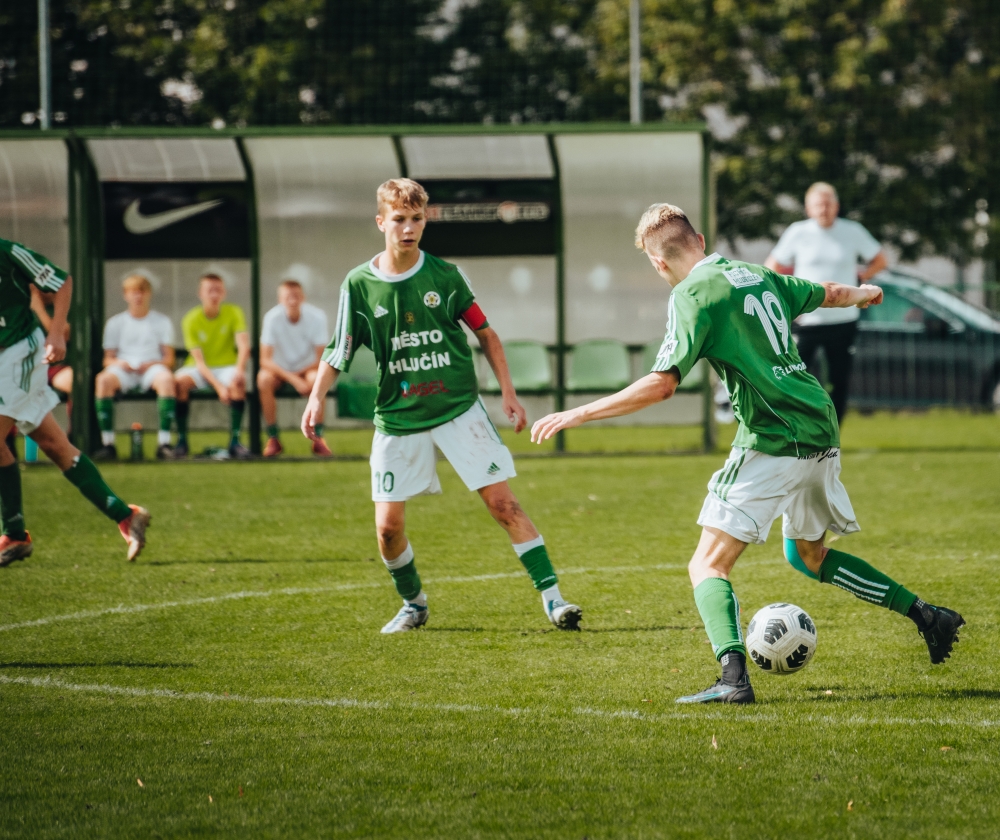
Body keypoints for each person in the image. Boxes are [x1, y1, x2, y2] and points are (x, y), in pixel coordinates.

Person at [531, 204, 964, 704]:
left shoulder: (692, 293)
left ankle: (733, 679)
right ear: (700, 236)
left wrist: (578, 414)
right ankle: (929, 617)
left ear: (657, 263)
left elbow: (662, 384)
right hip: (819, 424)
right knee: (807, 556)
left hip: (773, 435)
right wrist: (865, 294)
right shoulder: (756, 275)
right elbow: (829, 293)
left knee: (707, 565)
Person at [301, 178, 582, 634]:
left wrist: (508, 394)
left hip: (458, 410)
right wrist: (315, 400)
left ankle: (554, 600)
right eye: (399, 220)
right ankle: (414, 604)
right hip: (397, 418)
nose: (408, 228)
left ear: (425, 220)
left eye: (416, 219)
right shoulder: (358, 285)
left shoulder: (446, 276)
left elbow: (486, 334)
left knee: (503, 504)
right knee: (387, 530)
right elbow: (339, 351)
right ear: (381, 223)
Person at [0, 237, 150, 566]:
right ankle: (125, 515)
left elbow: (62, 280)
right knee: (54, 444)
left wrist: (55, 333)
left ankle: (13, 533)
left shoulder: (9, 252)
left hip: (20, 353)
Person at [764, 182, 887, 423]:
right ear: (808, 208)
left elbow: (880, 260)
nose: (824, 209)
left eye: (828, 204)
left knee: (839, 382)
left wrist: (861, 279)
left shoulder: (852, 231)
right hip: (807, 320)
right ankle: (798, 427)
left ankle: (833, 435)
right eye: (818, 205)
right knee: (795, 377)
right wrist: (787, 295)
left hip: (844, 319)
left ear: (837, 207)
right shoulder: (798, 232)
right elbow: (772, 266)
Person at [93, 273, 177, 460]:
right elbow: (107, 360)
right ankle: (108, 444)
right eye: (133, 292)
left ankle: (164, 443)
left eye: (142, 292)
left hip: (151, 369)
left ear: (149, 294)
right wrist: (121, 363)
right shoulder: (115, 323)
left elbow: (169, 359)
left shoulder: (162, 321)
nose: (138, 296)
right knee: (103, 380)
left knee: (166, 379)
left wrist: (151, 364)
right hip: (123, 369)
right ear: (126, 295)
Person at [175, 273, 251, 459]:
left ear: (224, 293)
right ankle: (182, 441)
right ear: (200, 293)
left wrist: (239, 371)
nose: (214, 294)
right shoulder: (190, 319)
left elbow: (243, 345)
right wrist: (219, 387)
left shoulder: (234, 312)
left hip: (227, 366)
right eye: (210, 290)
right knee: (178, 383)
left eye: (218, 290)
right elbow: (199, 362)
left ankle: (235, 442)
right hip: (199, 369)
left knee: (239, 381)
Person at [258, 279, 331, 458]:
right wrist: (293, 379)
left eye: (296, 296)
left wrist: (299, 376)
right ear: (279, 300)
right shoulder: (271, 318)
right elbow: (265, 360)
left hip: (307, 371)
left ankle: (318, 438)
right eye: (287, 297)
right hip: (279, 371)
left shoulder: (317, 317)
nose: (292, 301)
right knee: (263, 379)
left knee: (317, 379)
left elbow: (321, 358)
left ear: (303, 297)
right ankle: (273, 438)